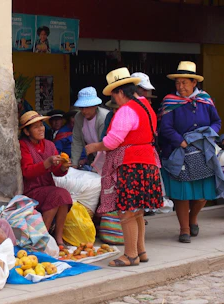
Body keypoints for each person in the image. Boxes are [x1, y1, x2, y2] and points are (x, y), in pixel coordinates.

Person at [85, 67, 163, 267]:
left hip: (131, 163)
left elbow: (112, 142)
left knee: (126, 210)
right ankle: (140, 251)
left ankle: (130, 255)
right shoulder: (146, 106)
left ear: (120, 92)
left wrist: (94, 146)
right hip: (147, 161)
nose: (115, 100)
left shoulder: (127, 110)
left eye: (114, 95)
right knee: (137, 210)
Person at [158, 61, 222, 243]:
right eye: (178, 83)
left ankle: (193, 218)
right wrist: (181, 141)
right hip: (179, 151)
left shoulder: (205, 100)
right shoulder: (170, 102)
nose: (181, 86)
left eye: (185, 82)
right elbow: (165, 128)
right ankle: (184, 229)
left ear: (194, 83)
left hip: (203, 151)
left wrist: (209, 135)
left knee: (203, 193)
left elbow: (216, 122)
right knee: (182, 193)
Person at [19, 111, 73, 245]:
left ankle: (59, 238)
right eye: (35, 127)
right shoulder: (23, 145)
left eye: (41, 125)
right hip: (32, 189)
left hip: (48, 187)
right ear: (27, 132)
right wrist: (47, 162)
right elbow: (27, 171)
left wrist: (63, 167)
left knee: (63, 196)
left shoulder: (49, 145)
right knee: (56, 196)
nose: (41, 129)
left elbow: (56, 172)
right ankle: (44, 237)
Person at [71, 87, 109, 168]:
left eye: (87, 107)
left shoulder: (103, 117)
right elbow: (77, 141)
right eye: (81, 108)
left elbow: (105, 144)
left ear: (95, 106)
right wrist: (74, 163)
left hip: (107, 156)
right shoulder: (79, 117)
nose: (84, 111)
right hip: (94, 155)